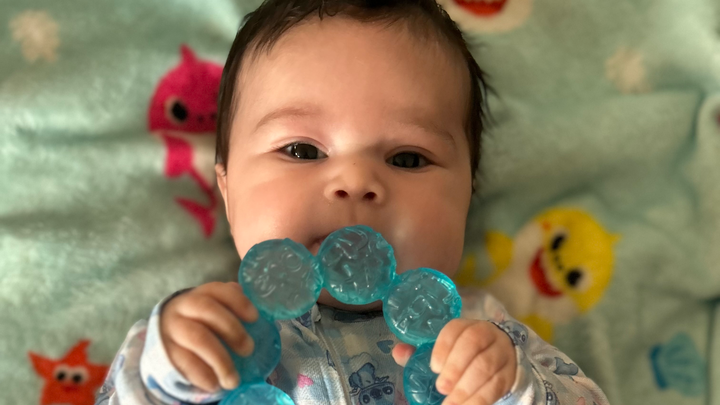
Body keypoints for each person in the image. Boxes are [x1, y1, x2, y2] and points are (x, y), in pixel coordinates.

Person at [96, 0, 610, 404]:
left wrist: (511, 388)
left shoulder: (482, 333)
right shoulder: (209, 332)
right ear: (227, 191)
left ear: (465, 199)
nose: (356, 181)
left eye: (408, 158)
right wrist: (167, 376)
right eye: (302, 150)